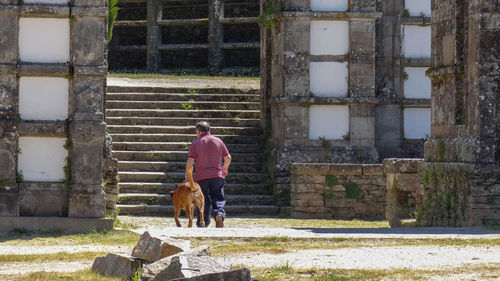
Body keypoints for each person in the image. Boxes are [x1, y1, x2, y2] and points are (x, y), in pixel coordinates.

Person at [185, 121, 231, 228]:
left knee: (202, 199)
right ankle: (219, 214)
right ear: (209, 130)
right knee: (218, 197)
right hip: (217, 175)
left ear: (198, 131)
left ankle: (202, 221)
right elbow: (228, 157)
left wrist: (188, 176)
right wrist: (225, 168)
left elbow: (190, 162)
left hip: (201, 177)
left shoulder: (196, 143)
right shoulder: (218, 141)